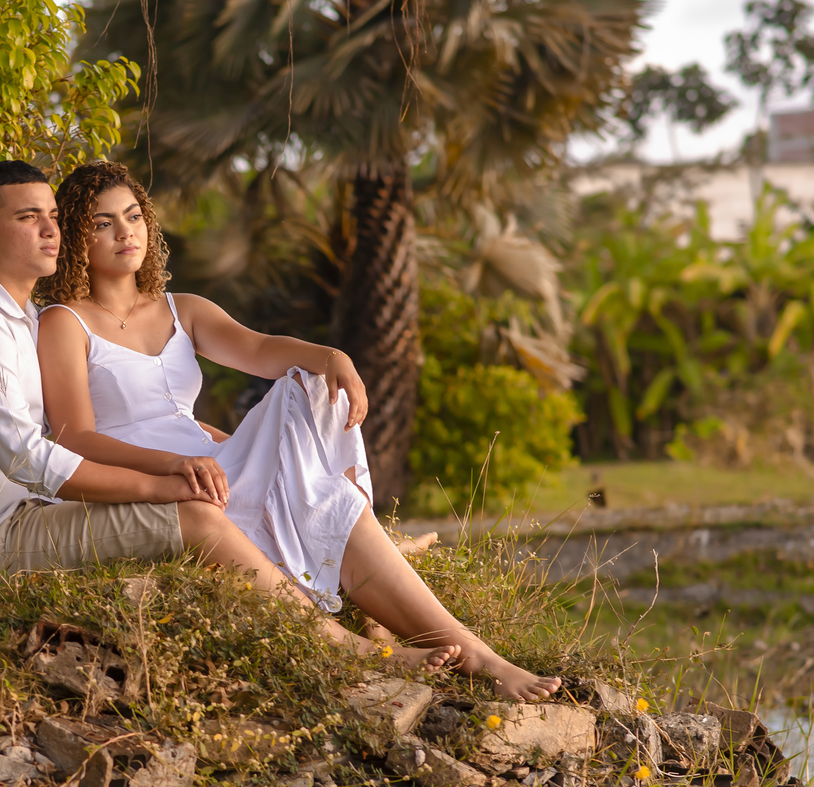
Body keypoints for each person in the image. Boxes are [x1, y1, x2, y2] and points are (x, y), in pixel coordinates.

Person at [36, 160, 563, 701]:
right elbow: (75, 438)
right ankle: (405, 609)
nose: (126, 232)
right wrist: (171, 464)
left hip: (212, 463)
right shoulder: (63, 321)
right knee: (317, 480)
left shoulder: (181, 308)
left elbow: (259, 349)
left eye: (132, 216)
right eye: (103, 223)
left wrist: (332, 356)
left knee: (303, 388)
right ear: (76, 238)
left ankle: (478, 654)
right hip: (155, 480)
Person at [0, 160, 456, 672]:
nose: (49, 230)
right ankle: (346, 647)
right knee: (196, 514)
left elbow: (247, 354)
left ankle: (356, 554)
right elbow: (36, 455)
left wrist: (317, 369)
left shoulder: (21, 315)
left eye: (52, 216)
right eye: (30, 219)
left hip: (35, 510)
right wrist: (162, 481)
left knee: (298, 404)